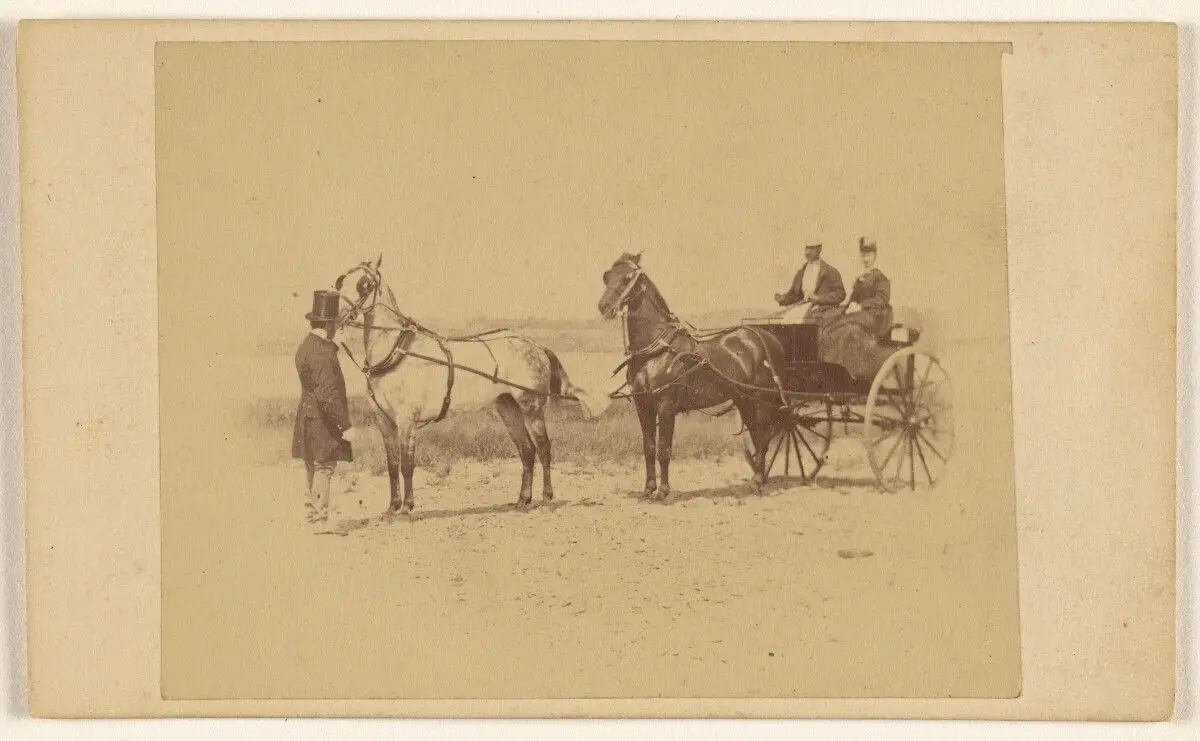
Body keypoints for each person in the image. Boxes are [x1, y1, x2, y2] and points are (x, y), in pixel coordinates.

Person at [292, 289, 357, 533]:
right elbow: (329, 396)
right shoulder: (322, 354)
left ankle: (312, 514)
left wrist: (333, 345)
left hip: (308, 416)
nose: (338, 328)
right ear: (329, 324)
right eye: (335, 324)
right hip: (322, 419)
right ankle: (321, 520)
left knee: (312, 463)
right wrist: (345, 426)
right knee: (324, 466)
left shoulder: (307, 345)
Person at [772, 242, 846, 327]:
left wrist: (819, 298)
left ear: (819, 249)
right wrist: (783, 299)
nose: (807, 252)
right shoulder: (801, 272)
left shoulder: (831, 271)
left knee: (798, 320)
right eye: (806, 249)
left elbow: (840, 294)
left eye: (811, 249)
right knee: (786, 320)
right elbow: (794, 295)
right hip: (803, 308)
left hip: (821, 309)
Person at [837, 237, 894, 338]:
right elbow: (854, 297)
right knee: (835, 317)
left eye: (868, 255)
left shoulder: (881, 276)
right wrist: (851, 304)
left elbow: (881, 299)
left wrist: (861, 306)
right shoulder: (862, 277)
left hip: (877, 316)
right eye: (863, 256)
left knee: (848, 321)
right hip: (862, 313)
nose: (866, 259)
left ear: (875, 255)